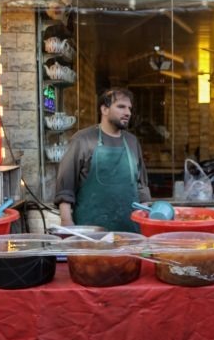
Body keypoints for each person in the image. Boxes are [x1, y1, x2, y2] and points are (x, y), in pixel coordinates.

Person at [54, 87, 150, 232]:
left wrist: (147, 219)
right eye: (121, 107)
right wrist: (66, 221)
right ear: (104, 110)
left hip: (130, 232)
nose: (128, 113)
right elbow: (65, 188)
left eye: (129, 108)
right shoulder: (83, 140)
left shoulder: (132, 142)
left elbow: (142, 187)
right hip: (91, 233)